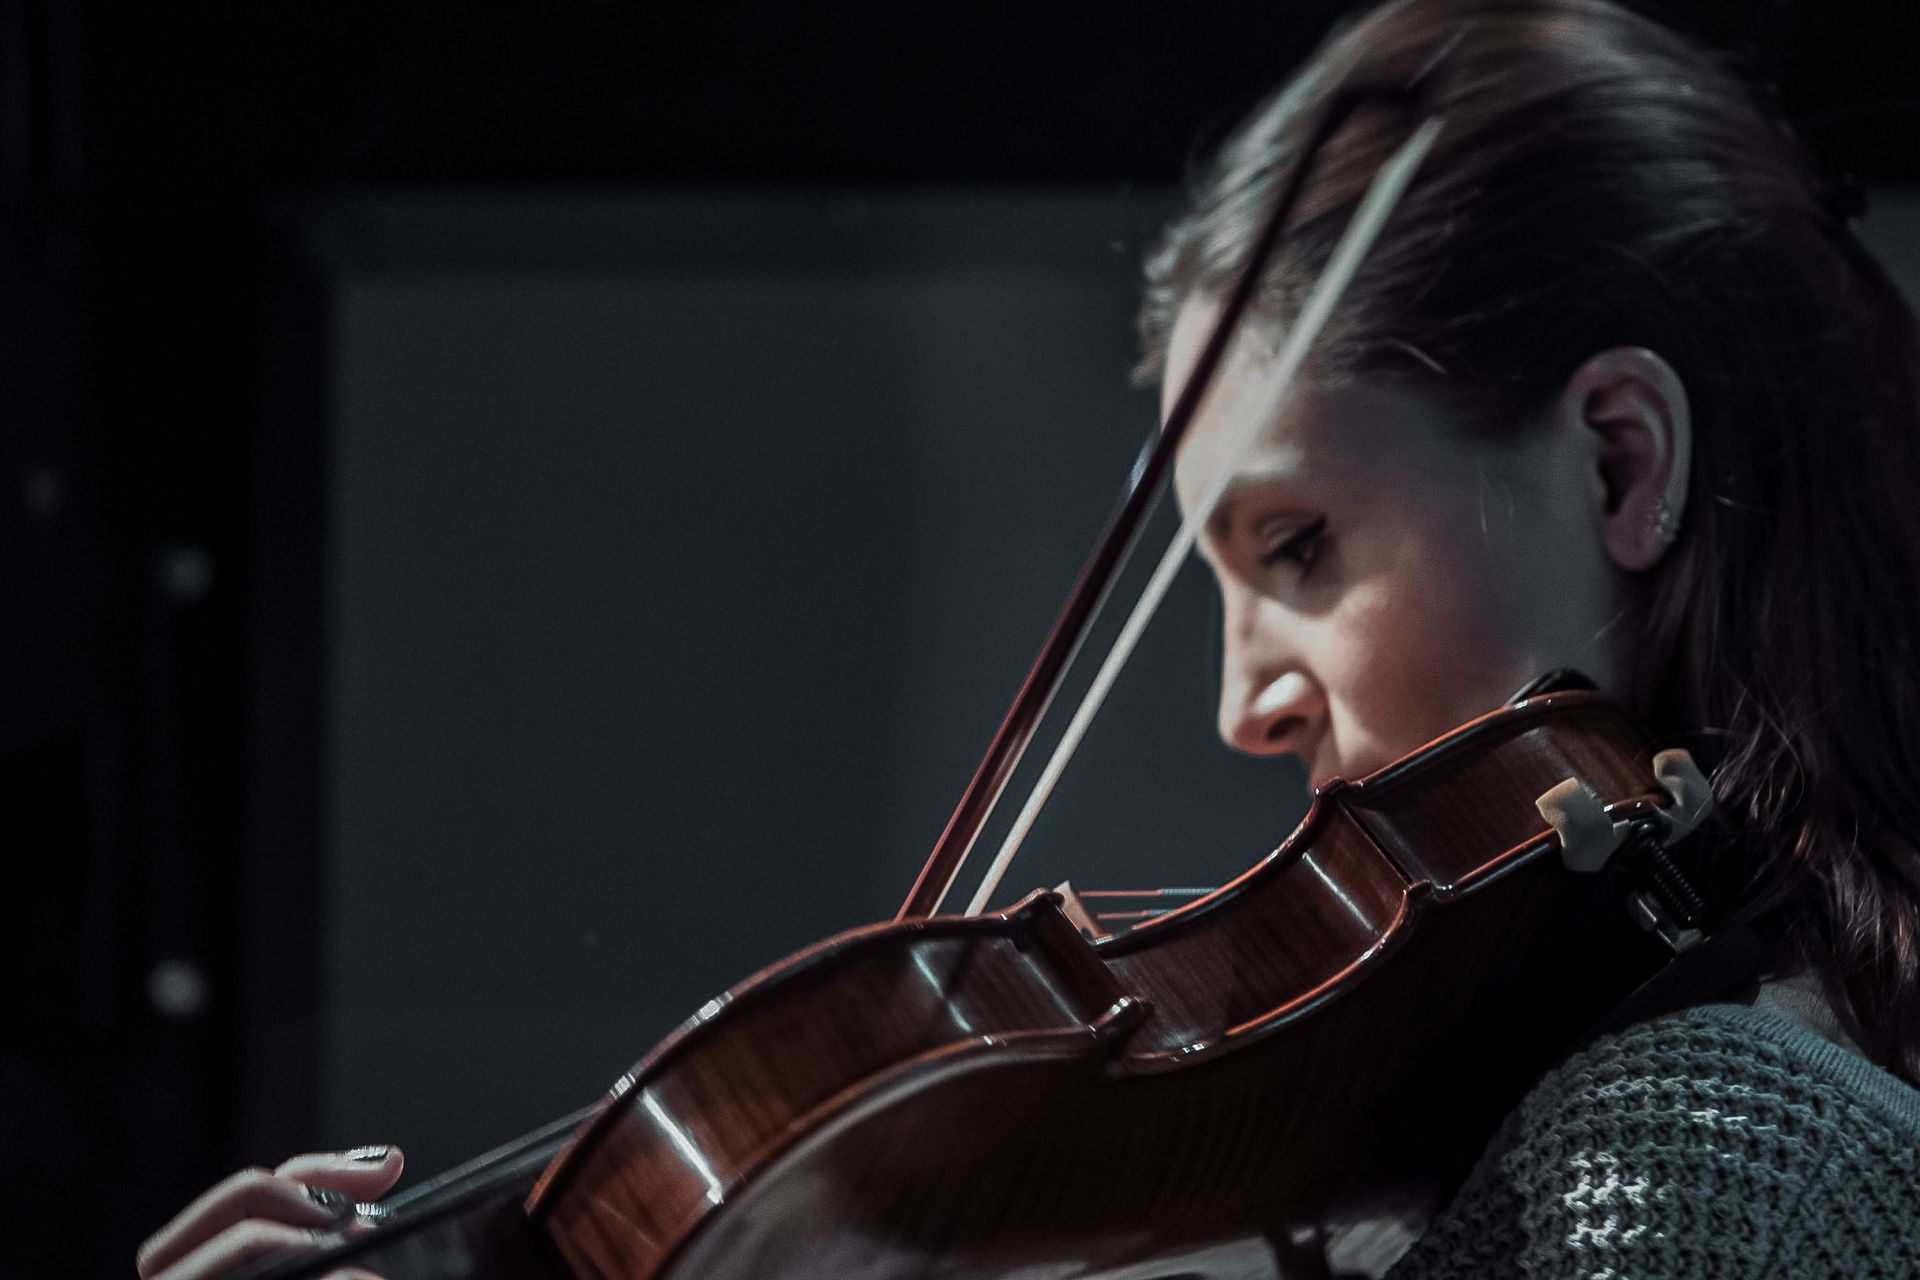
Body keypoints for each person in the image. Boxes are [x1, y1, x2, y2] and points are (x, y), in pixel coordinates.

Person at [139, 0, 1920, 1276]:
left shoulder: (1699, 1152)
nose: (1242, 705)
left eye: (1297, 543)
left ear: (1622, 459)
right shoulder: (1559, 1116)